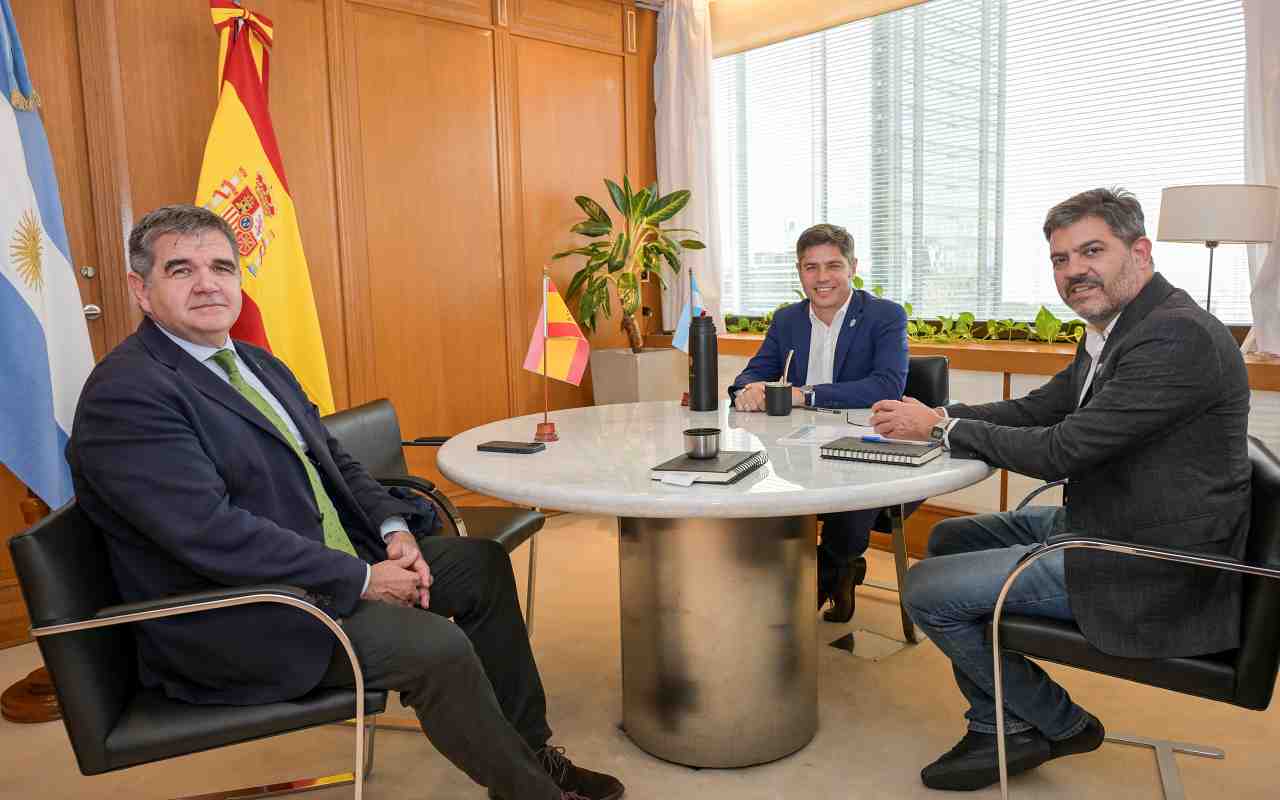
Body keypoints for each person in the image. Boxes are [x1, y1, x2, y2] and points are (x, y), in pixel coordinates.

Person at [67, 205, 623, 800]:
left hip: (322, 565)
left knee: (480, 566)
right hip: (241, 612)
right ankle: (530, 794)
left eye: (222, 268)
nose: (208, 284)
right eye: (181, 270)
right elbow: (209, 532)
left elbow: (333, 460)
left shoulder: (255, 362)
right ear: (141, 290)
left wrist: (393, 529)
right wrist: (361, 578)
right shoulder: (128, 393)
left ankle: (530, 753)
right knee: (435, 648)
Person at [870, 188, 1251, 791]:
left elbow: (1061, 449)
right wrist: (940, 413)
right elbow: (1039, 409)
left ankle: (1055, 723)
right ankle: (1002, 721)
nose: (1074, 271)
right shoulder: (1116, 328)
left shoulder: (1176, 338)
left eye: (1092, 251)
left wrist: (941, 430)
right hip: (1111, 519)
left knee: (925, 590)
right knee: (946, 538)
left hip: (1149, 560)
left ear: (1140, 251)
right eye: (1060, 259)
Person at [729, 223, 908, 622]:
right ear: (799, 271)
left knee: (853, 495)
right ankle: (827, 572)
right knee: (750, 488)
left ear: (853, 267)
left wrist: (805, 394)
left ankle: (818, 579)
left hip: (861, 446)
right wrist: (749, 389)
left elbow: (887, 386)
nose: (822, 277)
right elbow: (752, 373)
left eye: (833, 265)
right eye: (811, 267)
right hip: (793, 448)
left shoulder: (884, 315)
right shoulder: (787, 320)